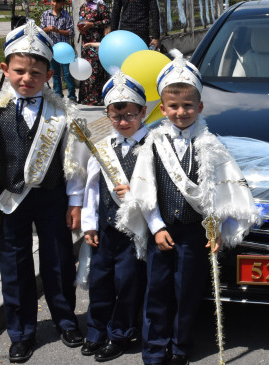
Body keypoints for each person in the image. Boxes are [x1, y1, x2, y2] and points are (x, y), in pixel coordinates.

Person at [116, 50, 260, 365]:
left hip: (196, 234)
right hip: (163, 231)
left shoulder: (212, 145)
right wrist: (155, 227)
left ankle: (181, 346)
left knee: (187, 292)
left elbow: (223, 192)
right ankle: (154, 348)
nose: (181, 112)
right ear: (163, 108)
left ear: (199, 106)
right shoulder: (153, 142)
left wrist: (219, 228)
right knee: (157, 292)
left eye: (187, 105)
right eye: (173, 106)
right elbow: (144, 189)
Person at [0, 20, 90, 363]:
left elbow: (74, 161)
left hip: (52, 198)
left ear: (49, 75)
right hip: (9, 201)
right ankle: (21, 332)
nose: (26, 78)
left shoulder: (63, 114)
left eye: (35, 72)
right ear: (5, 69)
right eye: (19, 71)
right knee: (15, 267)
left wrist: (76, 202)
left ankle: (65, 320)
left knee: (59, 261)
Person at [79, 70, 149, 361]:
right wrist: (88, 225)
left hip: (135, 232)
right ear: (107, 114)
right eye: (115, 116)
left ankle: (120, 332)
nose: (122, 122)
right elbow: (92, 187)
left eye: (130, 116)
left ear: (143, 112)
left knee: (129, 284)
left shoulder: (152, 146)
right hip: (105, 228)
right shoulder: (104, 145)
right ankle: (96, 331)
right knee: (100, 281)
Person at [41, 0, 76, 102]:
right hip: (52, 49)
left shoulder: (66, 16)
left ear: (62, 4)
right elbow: (40, 31)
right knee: (55, 73)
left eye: (58, 2)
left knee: (67, 73)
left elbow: (71, 33)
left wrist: (58, 31)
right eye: (53, 1)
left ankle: (72, 96)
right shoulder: (45, 15)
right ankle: (58, 96)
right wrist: (47, 29)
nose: (55, 4)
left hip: (64, 50)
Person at [78, 0, 111, 105]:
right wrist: (81, 28)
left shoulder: (101, 6)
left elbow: (107, 21)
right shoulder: (83, 7)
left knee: (96, 69)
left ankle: (96, 98)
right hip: (86, 42)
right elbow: (81, 21)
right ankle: (85, 98)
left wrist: (92, 24)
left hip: (97, 42)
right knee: (86, 68)